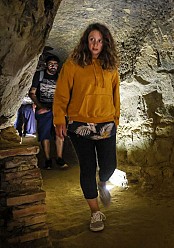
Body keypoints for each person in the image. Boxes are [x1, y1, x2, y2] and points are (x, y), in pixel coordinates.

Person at [53, 23, 120, 232]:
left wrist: (115, 119)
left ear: (105, 43)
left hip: (106, 124)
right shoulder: (73, 64)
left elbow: (116, 94)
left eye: (100, 40)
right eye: (92, 39)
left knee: (109, 165)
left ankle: (103, 183)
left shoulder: (110, 66)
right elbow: (62, 93)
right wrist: (59, 119)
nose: (95, 44)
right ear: (86, 41)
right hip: (79, 124)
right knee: (88, 168)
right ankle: (95, 212)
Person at [29, 55, 67, 169]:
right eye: (51, 64)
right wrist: (40, 107)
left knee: (59, 134)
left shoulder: (60, 77)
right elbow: (32, 93)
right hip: (43, 109)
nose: (53, 66)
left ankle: (59, 158)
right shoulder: (39, 75)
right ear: (46, 64)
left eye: (55, 64)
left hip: (57, 109)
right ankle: (48, 159)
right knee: (45, 135)